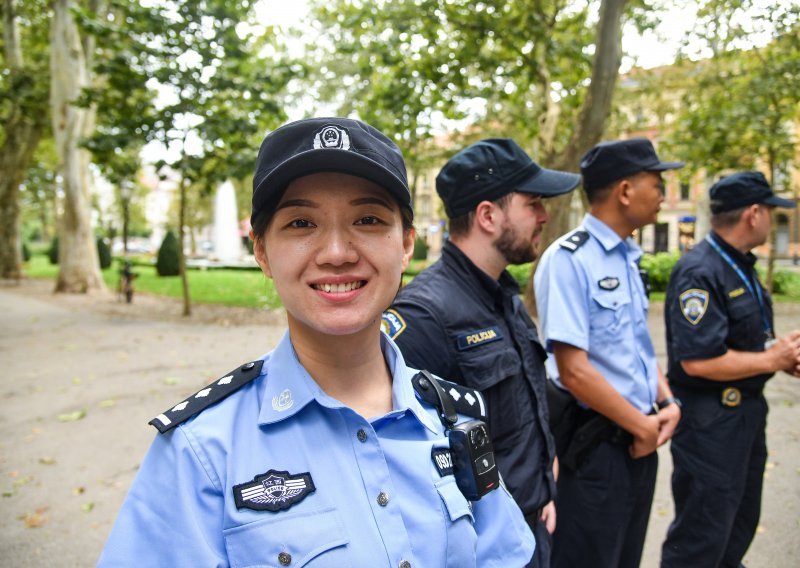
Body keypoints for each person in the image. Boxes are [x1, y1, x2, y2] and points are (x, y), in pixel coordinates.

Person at [98, 118, 535, 567]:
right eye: (301, 223)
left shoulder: (452, 418)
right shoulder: (202, 452)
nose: (337, 253)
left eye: (368, 220)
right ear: (262, 252)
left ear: (406, 245)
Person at [384, 138, 581, 567]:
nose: (545, 216)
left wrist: (543, 481)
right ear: (488, 216)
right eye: (533, 204)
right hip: (482, 548)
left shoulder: (504, 295)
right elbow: (398, 460)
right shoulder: (424, 315)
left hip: (531, 522)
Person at [534, 138, 683, 568]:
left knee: (626, 556)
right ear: (624, 191)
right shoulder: (569, 260)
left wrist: (666, 399)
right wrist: (642, 427)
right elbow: (574, 370)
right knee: (590, 556)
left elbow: (636, 344)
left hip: (639, 439)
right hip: (595, 448)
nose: (662, 195)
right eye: (656, 184)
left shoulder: (628, 258)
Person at [661, 171, 800, 568]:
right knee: (701, 539)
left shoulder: (739, 264)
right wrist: (771, 360)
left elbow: (743, 340)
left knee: (735, 529)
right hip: (712, 425)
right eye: (771, 212)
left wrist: (780, 355)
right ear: (753, 214)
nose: (772, 221)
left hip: (745, 417)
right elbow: (698, 359)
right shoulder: (700, 271)